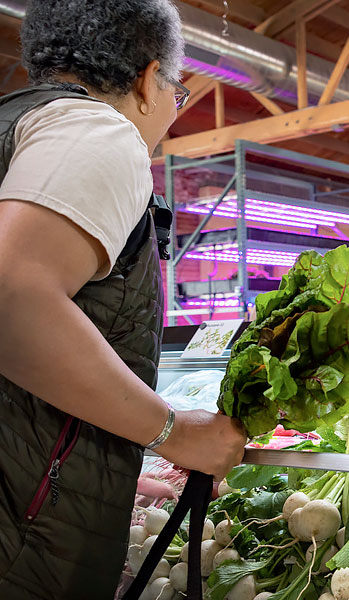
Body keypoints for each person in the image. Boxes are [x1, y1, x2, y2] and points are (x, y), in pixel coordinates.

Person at [0, 2, 246, 599]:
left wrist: (111, 467)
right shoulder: (97, 130)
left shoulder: (17, 128)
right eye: (176, 92)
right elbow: (12, 297)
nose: (170, 111)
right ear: (147, 78)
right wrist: (174, 432)